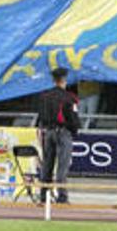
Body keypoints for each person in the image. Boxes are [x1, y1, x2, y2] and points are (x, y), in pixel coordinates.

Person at [38, 67, 79, 204]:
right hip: (63, 132)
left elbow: (41, 116)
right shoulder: (69, 98)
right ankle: (62, 196)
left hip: (48, 132)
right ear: (64, 80)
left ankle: (43, 195)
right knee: (62, 166)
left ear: (53, 79)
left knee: (47, 165)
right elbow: (73, 119)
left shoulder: (44, 96)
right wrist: (74, 130)